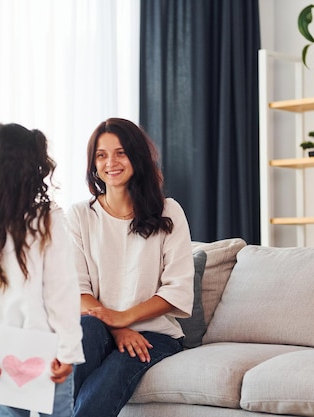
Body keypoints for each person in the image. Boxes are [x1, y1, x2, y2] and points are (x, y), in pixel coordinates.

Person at [0, 123, 84, 417]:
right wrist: (68, 349)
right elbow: (61, 291)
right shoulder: (47, 221)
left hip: (0, 353)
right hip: (49, 350)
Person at [66, 118, 194, 417]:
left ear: (136, 156)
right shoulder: (80, 216)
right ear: (93, 163)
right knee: (83, 333)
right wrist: (118, 327)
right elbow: (77, 290)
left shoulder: (169, 211)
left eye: (120, 152)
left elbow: (176, 290)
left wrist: (124, 319)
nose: (111, 162)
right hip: (99, 328)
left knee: (102, 388)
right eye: (101, 155)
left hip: (156, 335)